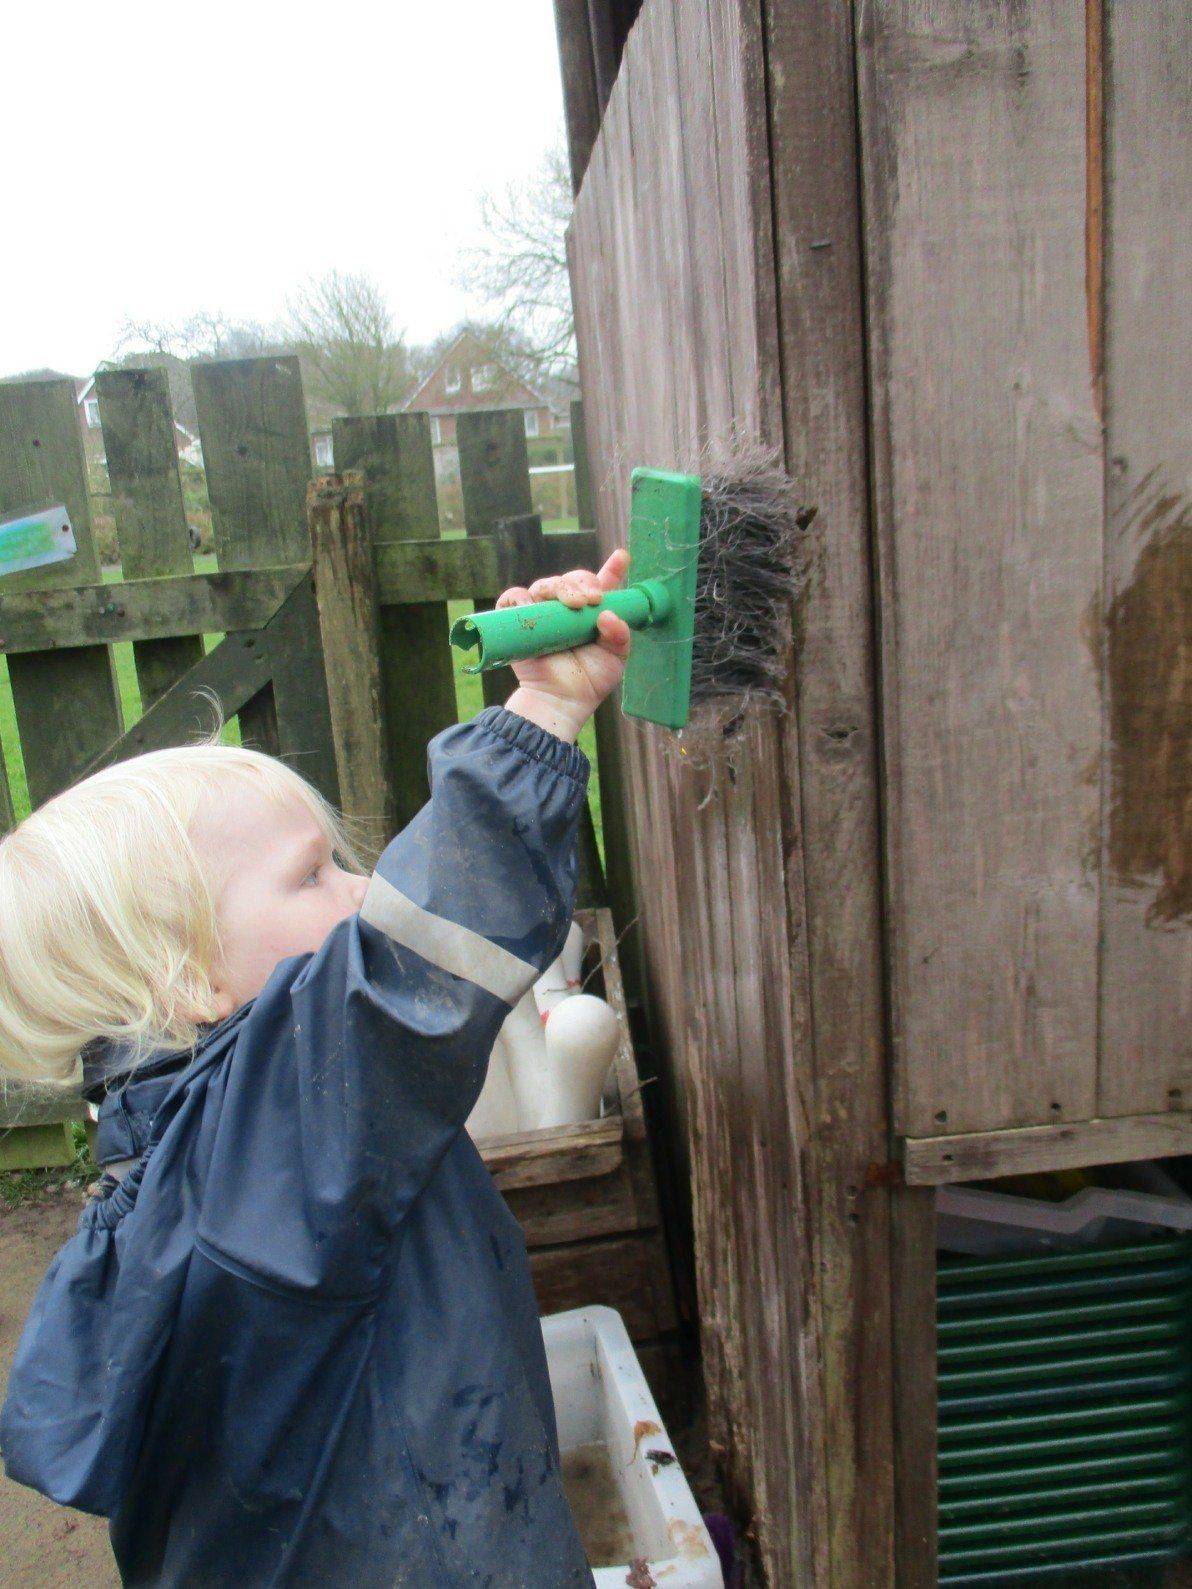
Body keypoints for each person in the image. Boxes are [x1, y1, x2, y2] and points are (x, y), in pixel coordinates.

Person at [0, 551, 632, 1588]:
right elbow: (402, 969)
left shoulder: (195, 1163)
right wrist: (537, 719)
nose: (363, 886)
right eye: (313, 872)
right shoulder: (269, 1139)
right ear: (186, 980)